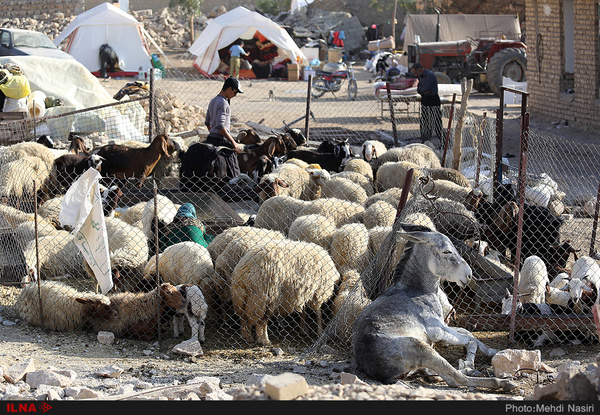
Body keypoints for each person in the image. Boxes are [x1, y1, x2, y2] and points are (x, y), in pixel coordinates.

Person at [204, 77, 243, 181]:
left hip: (210, 139)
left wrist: (213, 133)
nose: (235, 96)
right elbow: (220, 126)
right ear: (229, 89)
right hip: (221, 140)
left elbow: (207, 122)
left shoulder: (213, 100)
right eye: (235, 92)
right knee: (234, 171)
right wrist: (233, 142)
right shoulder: (224, 103)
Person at [412, 63, 444, 145]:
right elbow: (419, 89)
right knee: (425, 122)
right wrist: (423, 90)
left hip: (433, 100)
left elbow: (427, 88)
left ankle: (444, 142)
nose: (415, 75)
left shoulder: (430, 75)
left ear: (420, 69)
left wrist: (423, 90)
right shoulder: (420, 76)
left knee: (436, 122)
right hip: (425, 100)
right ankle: (426, 141)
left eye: (416, 72)